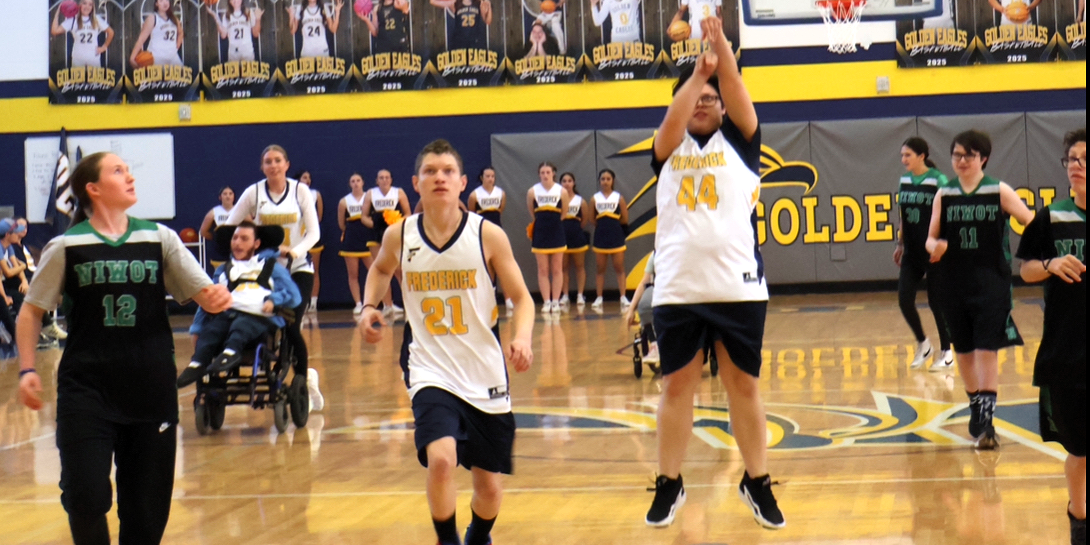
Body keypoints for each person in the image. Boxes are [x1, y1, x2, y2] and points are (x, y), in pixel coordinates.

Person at [14, 152, 232, 545]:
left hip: (150, 389)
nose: (130, 176)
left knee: (146, 518)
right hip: (87, 389)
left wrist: (214, 297)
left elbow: (203, 293)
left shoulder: (158, 237)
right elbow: (30, 313)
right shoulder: (66, 246)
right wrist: (27, 370)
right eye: (119, 171)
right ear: (93, 189)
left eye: (130, 170)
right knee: (85, 495)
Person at [645, 18, 785, 530]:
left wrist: (719, 46)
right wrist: (696, 76)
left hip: (738, 286)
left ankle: (757, 480)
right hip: (679, 288)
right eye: (694, 96)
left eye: (711, 97)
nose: (703, 101)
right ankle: (669, 482)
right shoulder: (666, 148)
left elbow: (736, 90)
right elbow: (672, 118)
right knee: (676, 387)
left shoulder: (743, 143)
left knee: (742, 387)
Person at [358, 139, 534, 545]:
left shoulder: (487, 235)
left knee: (488, 488)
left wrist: (522, 338)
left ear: (463, 183)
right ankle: (447, 540)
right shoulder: (399, 234)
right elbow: (381, 269)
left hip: (483, 368)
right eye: (431, 171)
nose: (440, 177)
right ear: (415, 183)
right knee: (440, 460)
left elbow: (522, 299)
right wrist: (369, 306)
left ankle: (478, 535)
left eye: (448, 171)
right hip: (428, 365)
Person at [925, 129, 1035, 450]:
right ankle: (975, 402)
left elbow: (1031, 221)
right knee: (964, 352)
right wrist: (937, 246)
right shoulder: (945, 194)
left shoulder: (998, 190)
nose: (961, 161)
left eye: (968, 155)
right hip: (954, 282)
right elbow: (930, 237)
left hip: (992, 281)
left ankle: (987, 420)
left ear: (982, 158)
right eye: (956, 155)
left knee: (988, 348)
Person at [1016, 128, 1085, 545]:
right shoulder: (1051, 217)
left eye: (1083, 159)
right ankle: (1079, 521)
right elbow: (1025, 270)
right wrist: (1051, 262)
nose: (1076, 166)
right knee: (1078, 448)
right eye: (1071, 159)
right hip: (1067, 349)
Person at [225, 145, 325, 412]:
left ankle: (303, 379)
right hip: (265, 269)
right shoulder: (253, 192)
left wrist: (295, 251)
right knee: (262, 324)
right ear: (262, 167)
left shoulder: (299, 191)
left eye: (277, 160)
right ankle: (268, 371)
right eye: (267, 161)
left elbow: (314, 233)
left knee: (291, 325)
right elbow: (230, 226)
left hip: (297, 268)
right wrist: (248, 246)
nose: (273, 165)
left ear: (286, 164)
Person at [177, 221, 302, 386]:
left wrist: (274, 300)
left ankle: (231, 351)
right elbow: (207, 300)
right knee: (213, 329)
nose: (237, 243)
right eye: (235, 238)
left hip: (259, 317)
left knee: (242, 324)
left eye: (244, 239)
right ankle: (198, 362)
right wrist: (197, 328)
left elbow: (295, 296)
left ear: (256, 244)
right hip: (229, 313)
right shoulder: (224, 270)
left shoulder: (271, 267)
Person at [894, 137, 954, 371]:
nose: (903, 160)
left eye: (908, 155)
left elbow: (948, 216)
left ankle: (947, 352)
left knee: (936, 302)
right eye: (902, 155)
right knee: (904, 299)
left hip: (934, 250)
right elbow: (903, 215)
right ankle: (924, 343)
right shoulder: (904, 180)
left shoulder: (938, 180)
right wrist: (899, 244)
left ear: (922, 156)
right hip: (912, 250)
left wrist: (943, 245)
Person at [8, 218, 69, 347]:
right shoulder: (10, 248)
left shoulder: (23, 247)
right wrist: (24, 278)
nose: (23, 229)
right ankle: (44, 327)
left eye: (25, 227)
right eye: (19, 227)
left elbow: (26, 267)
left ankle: (53, 324)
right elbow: (14, 271)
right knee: (30, 293)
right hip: (18, 283)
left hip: (31, 278)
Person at [361, 169, 412, 317]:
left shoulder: (399, 192)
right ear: (377, 181)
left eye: (387, 177)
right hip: (376, 235)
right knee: (383, 268)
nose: (384, 180)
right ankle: (387, 305)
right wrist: (376, 225)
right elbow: (363, 216)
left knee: (400, 270)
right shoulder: (370, 193)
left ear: (391, 179)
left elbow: (408, 213)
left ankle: (409, 304)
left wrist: (396, 224)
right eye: (381, 178)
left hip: (395, 233)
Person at [527, 162, 570, 314]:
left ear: (553, 174)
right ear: (539, 174)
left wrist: (555, 223)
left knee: (557, 268)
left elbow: (564, 212)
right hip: (540, 232)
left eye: (548, 172)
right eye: (542, 172)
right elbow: (532, 212)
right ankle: (546, 301)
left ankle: (556, 301)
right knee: (543, 269)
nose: (545, 175)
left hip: (557, 231)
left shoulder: (561, 191)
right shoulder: (532, 191)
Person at [590, 168, 629, 310]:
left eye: (608, 179)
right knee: (600, 268)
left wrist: (613, 225)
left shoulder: (619, 197)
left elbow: (625, 218)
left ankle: (623, 297)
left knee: (619, 267)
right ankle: (599, 297)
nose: (605, 181)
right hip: (600, 236)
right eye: (602, 179)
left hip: (616, 235)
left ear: (613, 181)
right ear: (599, 181)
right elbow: (591, 218)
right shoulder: (595, 198)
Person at [338, 173, 374, 315]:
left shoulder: (370, 198)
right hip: (352, 239)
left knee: (374, 271)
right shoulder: (344, 202)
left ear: (363, 182)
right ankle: (358, 303)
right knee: (353, 274)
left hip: (368, 238)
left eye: (358, 180)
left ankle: (379, 302)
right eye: (352, 181)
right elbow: (341, 223)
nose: (356, 183)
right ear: (349, 184)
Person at [51, 0, 114, 68]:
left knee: (94, 79)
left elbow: (111, 32)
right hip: (78, 59)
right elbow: (54, 31)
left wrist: (104, 47)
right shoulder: (73, 20)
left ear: (92, 7)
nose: (87, 7)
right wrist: (57, 12)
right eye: (84, 3)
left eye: (90, 4)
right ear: (79, 5)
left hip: (93, 59)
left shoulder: (96, 19)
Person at [559, 172, 590, 307]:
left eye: (569, 181)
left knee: (579, 267)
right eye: (564, 181)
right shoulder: (557, 200)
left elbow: (585, 220)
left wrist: (575, 228)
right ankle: (565, 295)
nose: (567, 183)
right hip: (561, 236)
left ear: (574, 183)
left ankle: (580, 295)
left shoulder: (580, 201)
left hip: (577, 236)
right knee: (563, 268)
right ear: (560, 184)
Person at [625, 251, 659, 364]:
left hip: (681, 288)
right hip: (660, 287)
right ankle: (655, 346)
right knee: (644, 305)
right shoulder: (656, 253)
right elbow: (644, 282)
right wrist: (631, 310)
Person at [299, 171, 325, 311]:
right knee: (296, 269)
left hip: (312, 235)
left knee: (314, 269)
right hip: (297, 236)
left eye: (309, 177)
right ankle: (300, 302)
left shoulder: (316, 194)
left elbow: (319, 217)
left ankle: (313, 301)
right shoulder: (292, 193)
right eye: (304, 177)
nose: (307, 179)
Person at [130, 0, 183, 67]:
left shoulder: (174, 19)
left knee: (183, 75)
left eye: (166, 0)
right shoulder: (152, 18)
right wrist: (132, 58)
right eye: (161, 1)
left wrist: (176, 47)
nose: (165, 3)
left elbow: (181, 33)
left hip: (172, 58)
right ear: (156, 3)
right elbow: (141, 39)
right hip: (156, 57)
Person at [199, 186, 239, 271]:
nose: (228, 196)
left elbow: (251, 227)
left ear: (234, 196)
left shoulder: (240, 210)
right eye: (225, 194)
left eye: (230, 194)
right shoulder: (214, 212)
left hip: (236, 248)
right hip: (219, 251)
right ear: (220, 197)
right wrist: (216, 238)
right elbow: (203, 231)